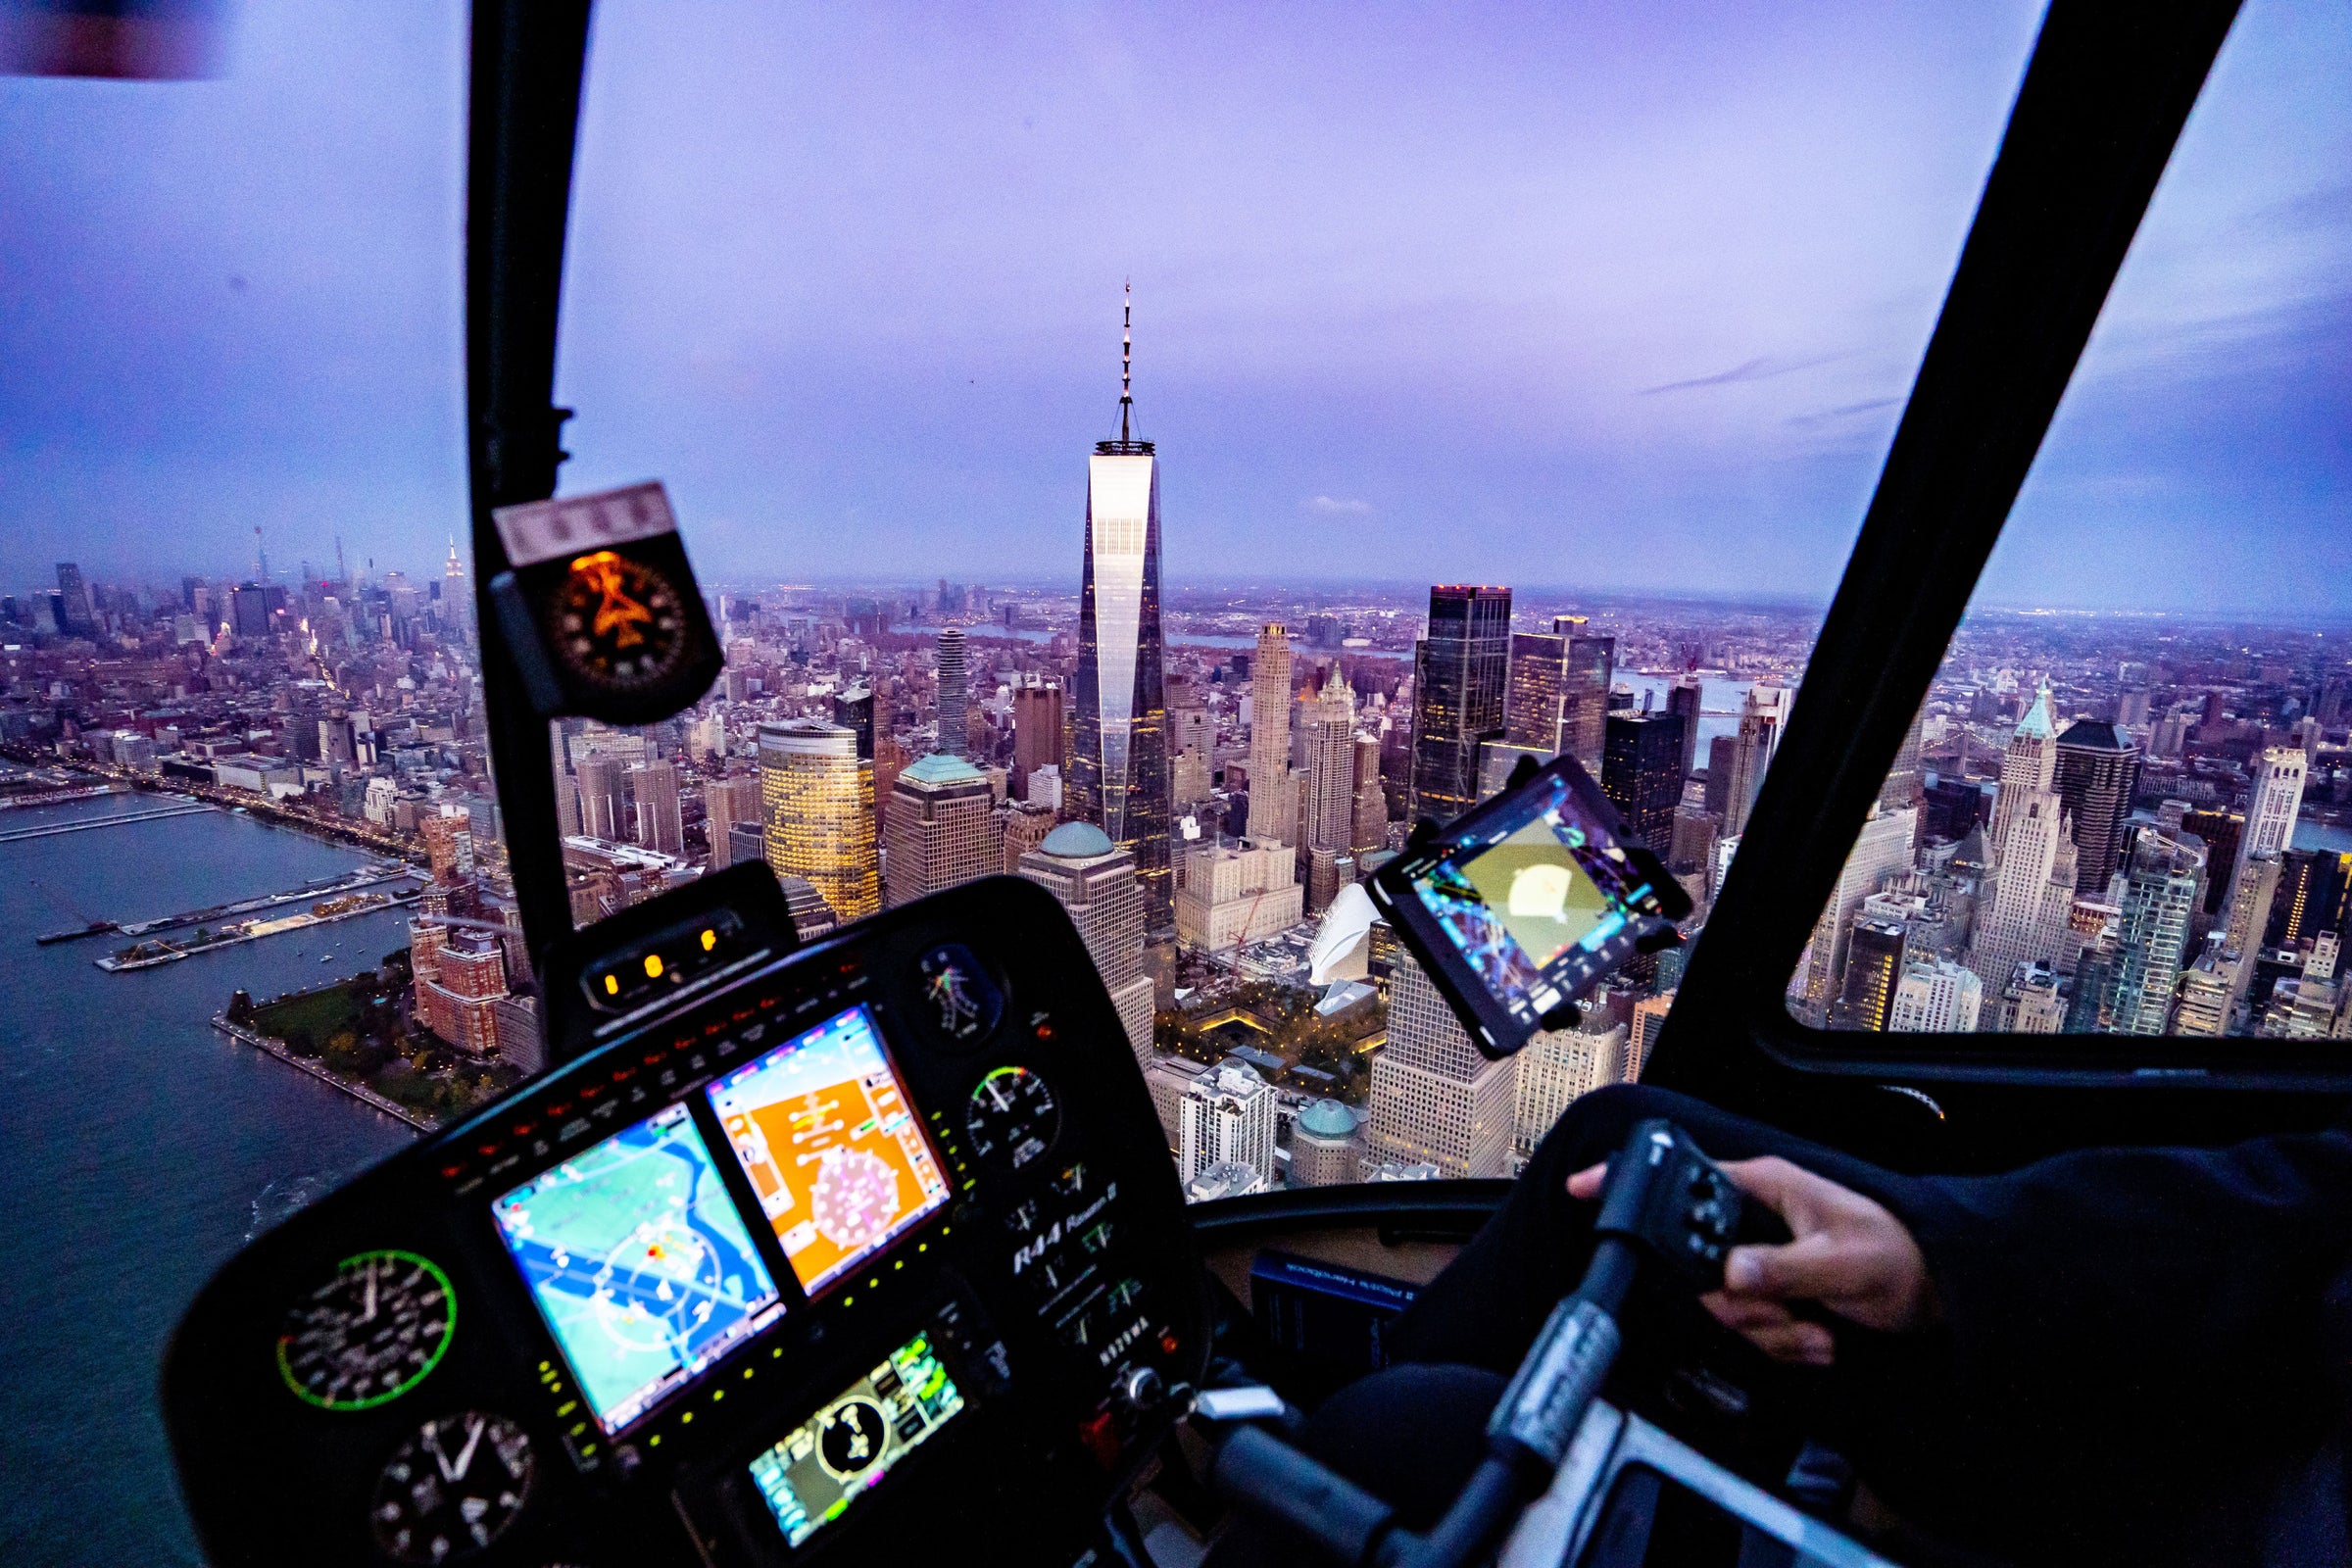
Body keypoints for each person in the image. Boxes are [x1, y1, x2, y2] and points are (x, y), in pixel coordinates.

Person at [1216, 1082, 2352, 1567]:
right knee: (1632, 1156)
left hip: (2223, 1520)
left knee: (1394, 1446)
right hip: (2248, 1424)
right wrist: (1942, 1257)